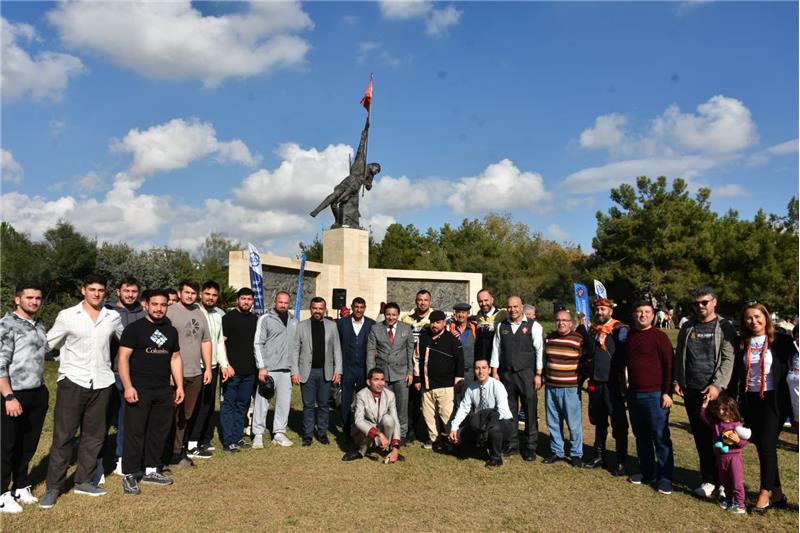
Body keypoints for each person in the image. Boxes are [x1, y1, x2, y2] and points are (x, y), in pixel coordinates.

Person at [39, 274, 123, 509]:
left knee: (94, 436)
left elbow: (128, 342)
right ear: (83, 290)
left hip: (102, 382)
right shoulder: (67, 316)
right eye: (92, 289)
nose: (96, 294)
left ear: (105, 293)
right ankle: (53, 487)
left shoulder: (112, 317)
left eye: (100, 290)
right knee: (64, 436)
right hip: (73, 382)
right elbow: (46, 344)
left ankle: (83, 481)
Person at [117, 290, 185, 495]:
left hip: (163, 390)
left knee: (158, 431)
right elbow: (123, 358)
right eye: (154, 304)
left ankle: (151, 469)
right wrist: (128, 386)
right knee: (135, 433)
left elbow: (175, 358)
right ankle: (130, 474)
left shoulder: (171, 331)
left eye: (163, 305)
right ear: (146, 305)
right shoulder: (134, 329)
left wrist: (179, 386)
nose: (158, 308)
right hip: (139, 389)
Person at [673, 286, 737, 500]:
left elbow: (728, 359)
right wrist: (678, 380)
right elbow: (680, 355)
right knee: (701, 438)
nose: (700, 306)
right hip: (692, 391)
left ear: (714, 302)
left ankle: (725, 482)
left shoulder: (725, 327)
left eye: (704, 302)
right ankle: (709, 480)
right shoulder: (687, 326)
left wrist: (717, 386)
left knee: (723, 438)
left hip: (718, 393)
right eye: (696, 303)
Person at [729, 302, 793, 513]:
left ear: (766, 317)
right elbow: (736, 373)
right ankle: (778, 494)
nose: (753, 321)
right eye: (749, 318)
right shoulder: (742, 342)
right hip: (750, 400)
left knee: (766, 444)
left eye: (757, 316)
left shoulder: (781, 341)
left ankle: (764, 494)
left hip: (774, 400)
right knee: (764, 446)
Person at [0, 282, 48, 513]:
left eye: (37, 298)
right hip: (13, 393)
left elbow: (45, 352)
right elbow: (0, 364)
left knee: (28, 444)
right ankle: (2, 493)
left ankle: (20, 486)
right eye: (29, 297)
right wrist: (8, 396)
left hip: (37, 392)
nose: (34, 302)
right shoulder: (6, 324)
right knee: (7, 445)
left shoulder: (39, 324)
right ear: (17, 299)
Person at [624, 300, 674, 495]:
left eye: (646, 312)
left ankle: (665, 478)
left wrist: (667, 392)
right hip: (634, 394)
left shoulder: (660, 337)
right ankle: (646, 472)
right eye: (639, 311)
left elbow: (669, 365)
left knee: (660, 437)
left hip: (656, 395)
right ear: (634, 315)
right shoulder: (629, 336)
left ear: (653, 315)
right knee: (641, 436)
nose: (643, 315)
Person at [101, 276, 146, 480]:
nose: (130, 295)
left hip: (131, 376)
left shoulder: (142, 314)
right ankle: (97, 462)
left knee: (125, 421)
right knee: (101, 421)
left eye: (134, 291)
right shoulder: (106, 312)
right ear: (118, 292)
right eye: (126, 291)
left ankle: (121, 458)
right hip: (106, 373)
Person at [579, 298, 629, 475]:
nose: (599, 312)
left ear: (610, 311)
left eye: (603, 309)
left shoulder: (619, 329)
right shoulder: (593, 330)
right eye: (597, 309)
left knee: (618, 423)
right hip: (595, 382)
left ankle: (621, 461)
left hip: (612, 383)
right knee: (599, 421)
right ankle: (599, 456)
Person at [490, 296, 543, 461]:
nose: (512, 310)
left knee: (530, 411)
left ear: (521, 307)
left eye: (515, 306)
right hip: (506, 374)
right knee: (509, 411)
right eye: (509, 307)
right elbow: (496, 350)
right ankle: (512, 444)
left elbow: (540, 351)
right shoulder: (501, 326)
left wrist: (539, 374)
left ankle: (530, 446)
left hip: (527, 374)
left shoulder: (534, 326)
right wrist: (494, 371)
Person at [166, 280, 212, 467]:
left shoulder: (199, 313)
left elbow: (206, 341)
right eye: (187, 292)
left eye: (193, 293)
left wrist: (207, 368)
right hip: (174, 374)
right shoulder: (169, 312)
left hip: (195, 373)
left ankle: (177, 452)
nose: (190, 296)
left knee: (186, 415)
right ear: (179, 293)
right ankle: (162, 452)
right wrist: (167, 372)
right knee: (169, 414)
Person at [186, 280, 229, 459]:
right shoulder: (194, 312)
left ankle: (200, 440)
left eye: (214, 295)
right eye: (207, 294)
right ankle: (189, 443)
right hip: (196, 367)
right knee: (194, 406)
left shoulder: (218, 315)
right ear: (201, 294)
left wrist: (224, 364)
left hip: (212, 367)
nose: (210, 298)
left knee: (207, 405)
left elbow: (219, 342)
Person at [292, 297, 342, 446]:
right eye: (315, 308)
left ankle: (322, 433)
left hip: (326, 372)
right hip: (307, 372)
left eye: (320, 308)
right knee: (308, 405)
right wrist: (295, 371)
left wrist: (338, 370)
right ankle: (308, 435)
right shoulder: (301, 326)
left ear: (325, 310)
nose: (317, 311)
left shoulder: (332, 326)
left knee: (323, 404)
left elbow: (337, 349)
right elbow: (295, 350)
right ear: (310, 308)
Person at [542, 309, 588, 467]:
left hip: (571, 388)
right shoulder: (550, 338)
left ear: (571, 323)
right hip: (551, 387)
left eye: (565, 320)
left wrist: (579, 380)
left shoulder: (578, 340)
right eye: (558, 320)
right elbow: (545, 359)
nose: (561, 323)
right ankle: (557, 451)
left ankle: (576, 454)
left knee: (573, 424)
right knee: (553, 421)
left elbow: (586, 362)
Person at [449, 360, 515, 468]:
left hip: (502, 423)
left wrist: (485, 424)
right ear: (474, 370)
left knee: (494, 429)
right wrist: (454, 427)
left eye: (484, 368)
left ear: (489, 370)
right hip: (481, 423)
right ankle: (480, 451)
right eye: (477, 368)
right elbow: (463, 408)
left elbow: (502, 411)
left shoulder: (497, 386)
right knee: (459, 435)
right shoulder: (471, 388)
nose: (481, 371)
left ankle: (496, 458)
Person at [253, 291, 297, 448]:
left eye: (286, 302)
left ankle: (279, 432)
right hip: (269, 369)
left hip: (286, 369)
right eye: (280, 302)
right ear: (275, 301)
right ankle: (258, 433)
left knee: (284, 403)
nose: (283, 305)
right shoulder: (265, 319)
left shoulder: (293, 321)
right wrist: (262, 367)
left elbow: (295, 346)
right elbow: (258, 343)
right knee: (263, 401)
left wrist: (294, 369)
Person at [367, 302, 415, 441]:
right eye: (388, 314)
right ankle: (385, 434)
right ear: (384, 314)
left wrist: (410, 373)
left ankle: (402, 435)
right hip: (383, 375)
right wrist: (371, 376)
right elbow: (370, 353)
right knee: (384, 407)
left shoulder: (406, 328)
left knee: (402, 407)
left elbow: (410, 352)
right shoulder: (376, 329)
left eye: (394, 315)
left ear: (398, 315)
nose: (391, 317)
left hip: (401, 374)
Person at [416, 310, 464, 448]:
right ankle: (435, 439)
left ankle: (453, 440)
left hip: (445, 386)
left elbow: (460, 361)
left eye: (438, 322)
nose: (434, 325)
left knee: (447, 415)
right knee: (428, 414)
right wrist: (418, 379)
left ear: (444, 323)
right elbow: (417, 358)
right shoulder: (423, 337)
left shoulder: (452, 339)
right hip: (427, 384)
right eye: (432, 322)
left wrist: (458, 381)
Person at [220, 288, 258, 452]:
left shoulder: (255, 319)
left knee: (242, 405)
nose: (246, 302)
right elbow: (221, 343)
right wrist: (226, 365)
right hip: (232, 372)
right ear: (238, 299)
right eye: (243, 298)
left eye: (249, 299)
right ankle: (228, 440)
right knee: (229, 405)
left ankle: (237, 437)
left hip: (249, 372)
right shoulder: (228, 318)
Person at [700, 395, 750, 514]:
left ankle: (740, 504)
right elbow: (704, 417)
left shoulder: (737, 426)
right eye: (719, 409)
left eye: (724, 409)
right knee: (725, 481)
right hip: (721, 458)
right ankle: (728, 500)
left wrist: (737, 440)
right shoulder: (717, 424)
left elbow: (744, 443)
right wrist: (704, 405)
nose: (721, 412)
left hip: (734, 458)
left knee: (736, 482)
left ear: (732, 410)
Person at [342, 368, 403, 463]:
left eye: (382, 379)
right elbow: (358, 421)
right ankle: (360, 451)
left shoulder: (390, 395)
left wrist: (395, 449)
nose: (380, 383)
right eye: (376, 379)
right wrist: (379, 434)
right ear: (368, 382)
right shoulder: (361, 395)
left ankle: (386, 449)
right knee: (366, 425)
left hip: (380, 433)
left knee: (389, 419)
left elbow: (395, 420)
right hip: (363, 436)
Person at [337, 297, 375, 439]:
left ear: (365, 308)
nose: (358, 310)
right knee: (346, 399)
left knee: (363, 400)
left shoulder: (371, 324)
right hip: (347, 367)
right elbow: (337, 345)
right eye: (356, 307)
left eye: (361, 307)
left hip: (363, 369)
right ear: (352, 307)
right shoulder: (342, 323)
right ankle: (346, 429)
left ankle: (361, 429)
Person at [401, 289, 434, 443]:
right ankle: (410, 430)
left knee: (428, 401)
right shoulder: (406, 318)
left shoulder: (435, 317)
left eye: (426, 300)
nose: (422, 302)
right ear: (416, 301)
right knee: (411, 400)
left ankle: (427, 431)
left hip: (428, 364)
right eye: (420, 300)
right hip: (410, 363)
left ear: (430, 302)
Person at [473, 289, 507, 362]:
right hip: (480, 362)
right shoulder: (476, 318)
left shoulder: (504, 317)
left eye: (486, 300)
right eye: (480, 301)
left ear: (492, 300)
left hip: (497, 362)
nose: (483, 303)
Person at [449, 303, 476, 387]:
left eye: (463, 312)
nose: (460, 315)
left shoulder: (474, 328)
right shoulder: (449, 328)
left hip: (470, 373)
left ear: (468, 314)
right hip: (453, 373)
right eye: (458, 312)